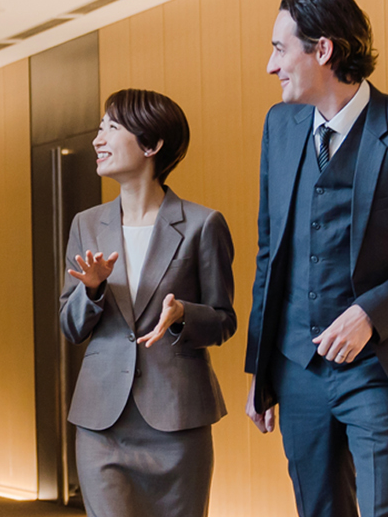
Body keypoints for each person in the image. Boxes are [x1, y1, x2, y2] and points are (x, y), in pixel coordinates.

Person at [245, 0, 388, 517]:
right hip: (297, 367)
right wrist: (259, 372)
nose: (271, 66)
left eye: (280, 49)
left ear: (324, 50)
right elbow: (271, 255)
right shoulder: (279, 127)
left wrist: (368, 314)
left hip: (382, 367)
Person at [60, 89, 236, 517]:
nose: (98, 140)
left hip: (177, 422)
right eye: (99, 129)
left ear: (152, 145)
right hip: (102, 424)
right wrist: (94, 291)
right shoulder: (86, 224)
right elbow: (71, 326)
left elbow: (224, 321)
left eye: (112, 129)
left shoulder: (202, 224)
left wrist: (181, 317)